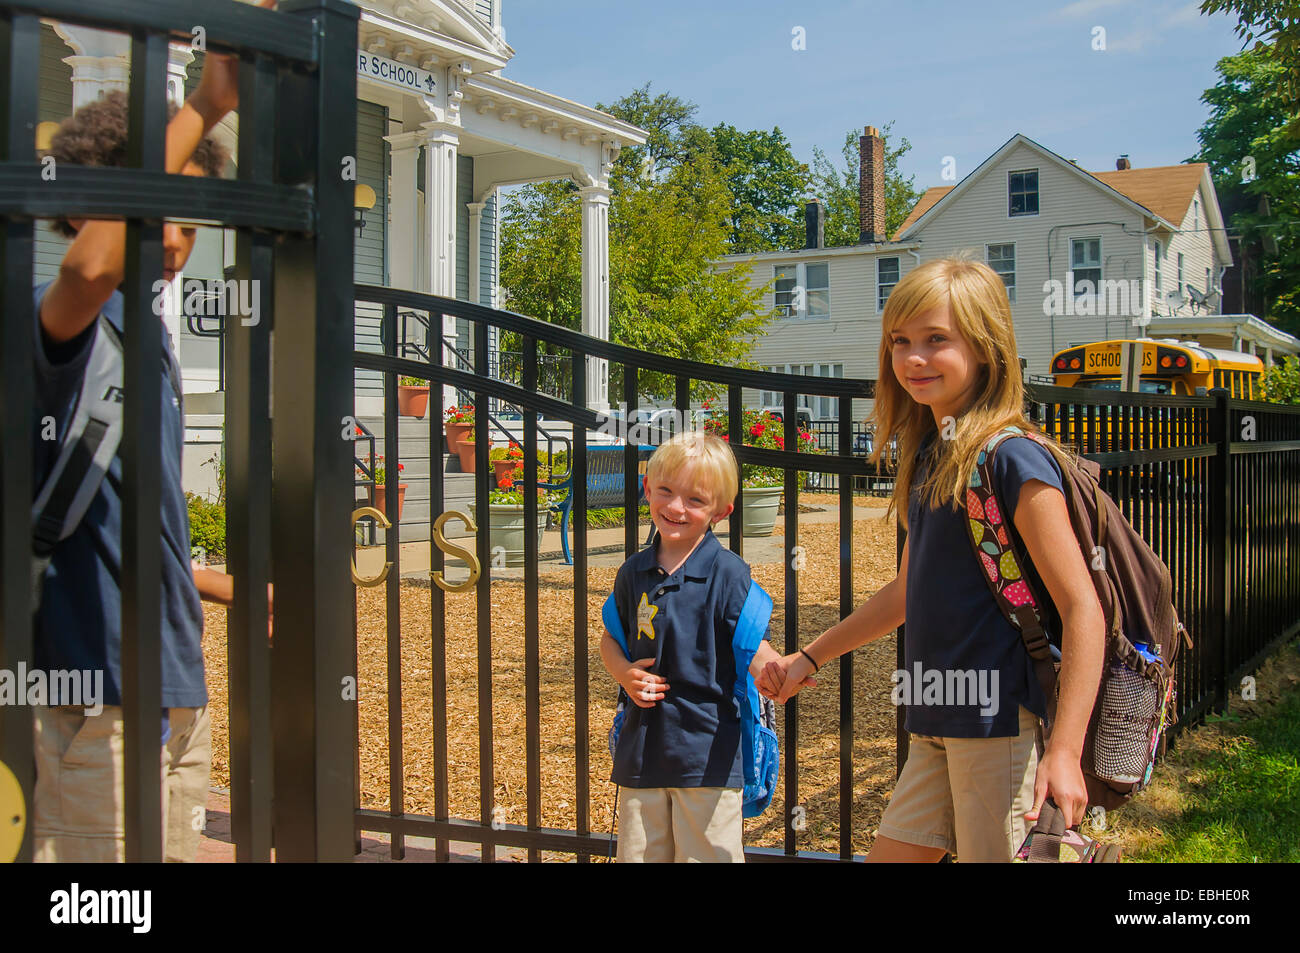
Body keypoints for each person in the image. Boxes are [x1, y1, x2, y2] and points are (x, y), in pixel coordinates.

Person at [758, 257, 1106, 862]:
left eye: (936, 340)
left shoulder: (1013, 459)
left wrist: (1066, 752)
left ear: (987, 347)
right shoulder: (931, 458)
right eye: (901, 341)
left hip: (1001, 730)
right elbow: (905, 592)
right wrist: (808, 657)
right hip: (937, 721)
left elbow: (1084, 609)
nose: (913, 358)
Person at [30, 16, 272, 863]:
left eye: (190, 218)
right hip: (95, 691)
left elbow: (112, 503)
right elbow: (90, 270)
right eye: (154, 211)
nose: (175, 238)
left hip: (172, 682)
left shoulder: (149, 339)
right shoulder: (64, 328)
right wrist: (208, 102)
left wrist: (204, 576)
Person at [601, 431, 779, 862]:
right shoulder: (633, 572)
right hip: (641, 750)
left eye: (695, 500)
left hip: (708, 752)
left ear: (722, 511)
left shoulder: (728, 573)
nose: (676, 507)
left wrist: (775, 670)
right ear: (648, 489)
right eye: (666, 491)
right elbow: (612, 637)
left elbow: (751, 643)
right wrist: (623, 673)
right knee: (640, 854)